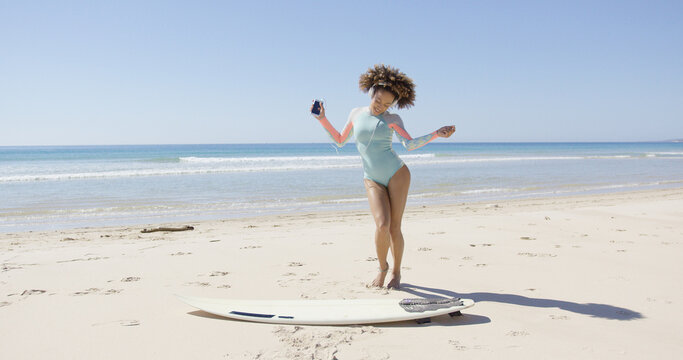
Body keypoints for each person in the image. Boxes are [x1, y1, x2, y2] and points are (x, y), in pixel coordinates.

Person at [310, 64, 455, 289]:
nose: (381, 107)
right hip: (372, 178)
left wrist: (436, 133)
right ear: (371, 93)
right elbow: (340, 140)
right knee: (382, 225)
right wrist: (322, 119)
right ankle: (382, 268)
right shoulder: (356, 114)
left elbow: (409, 144)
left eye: (387, 104)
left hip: (397, 174)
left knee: (395, 227)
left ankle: (396, 273)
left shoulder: (393, 119)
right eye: (378, 101)